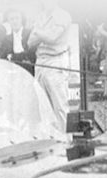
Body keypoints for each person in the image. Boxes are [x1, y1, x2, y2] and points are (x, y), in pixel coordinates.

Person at [28, 0, 72, 132]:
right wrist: (42, 34)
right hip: (40, 61)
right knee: (44, 106)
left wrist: (38, 32)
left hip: (56, 60)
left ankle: (66, 140)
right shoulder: (40, 16)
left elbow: (53, 37)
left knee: (59, 105)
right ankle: (51, 140)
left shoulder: (63, 15)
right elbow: (30, 42)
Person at [0, 7, 34, 72]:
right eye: (12, 19)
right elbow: (3, 58)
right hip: (12, 70)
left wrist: (13, 57)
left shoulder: (29, 34)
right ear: (8, 21)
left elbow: (31, 55)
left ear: (22, 19)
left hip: (28, 70)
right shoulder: (6, 39)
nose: (15, 21)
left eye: (17, 18)